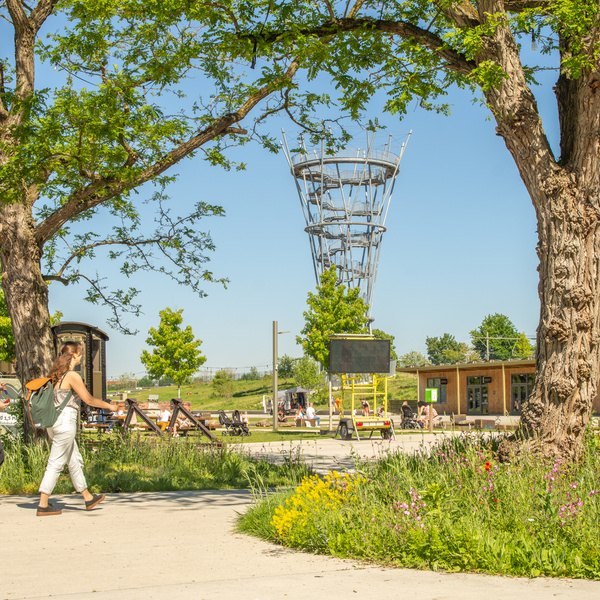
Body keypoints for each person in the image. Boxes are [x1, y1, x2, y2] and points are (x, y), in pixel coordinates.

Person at [37, 342, 119, 517]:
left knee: (74, 459)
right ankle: (43, 504)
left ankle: (88, 497)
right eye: (80, 354)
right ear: (74, 355)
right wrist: (109, 407)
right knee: (56, 463)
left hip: (53, 423)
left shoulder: (55, 375)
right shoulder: (72, 375)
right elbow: (88, 399)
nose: (81, 357)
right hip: (65, 423)